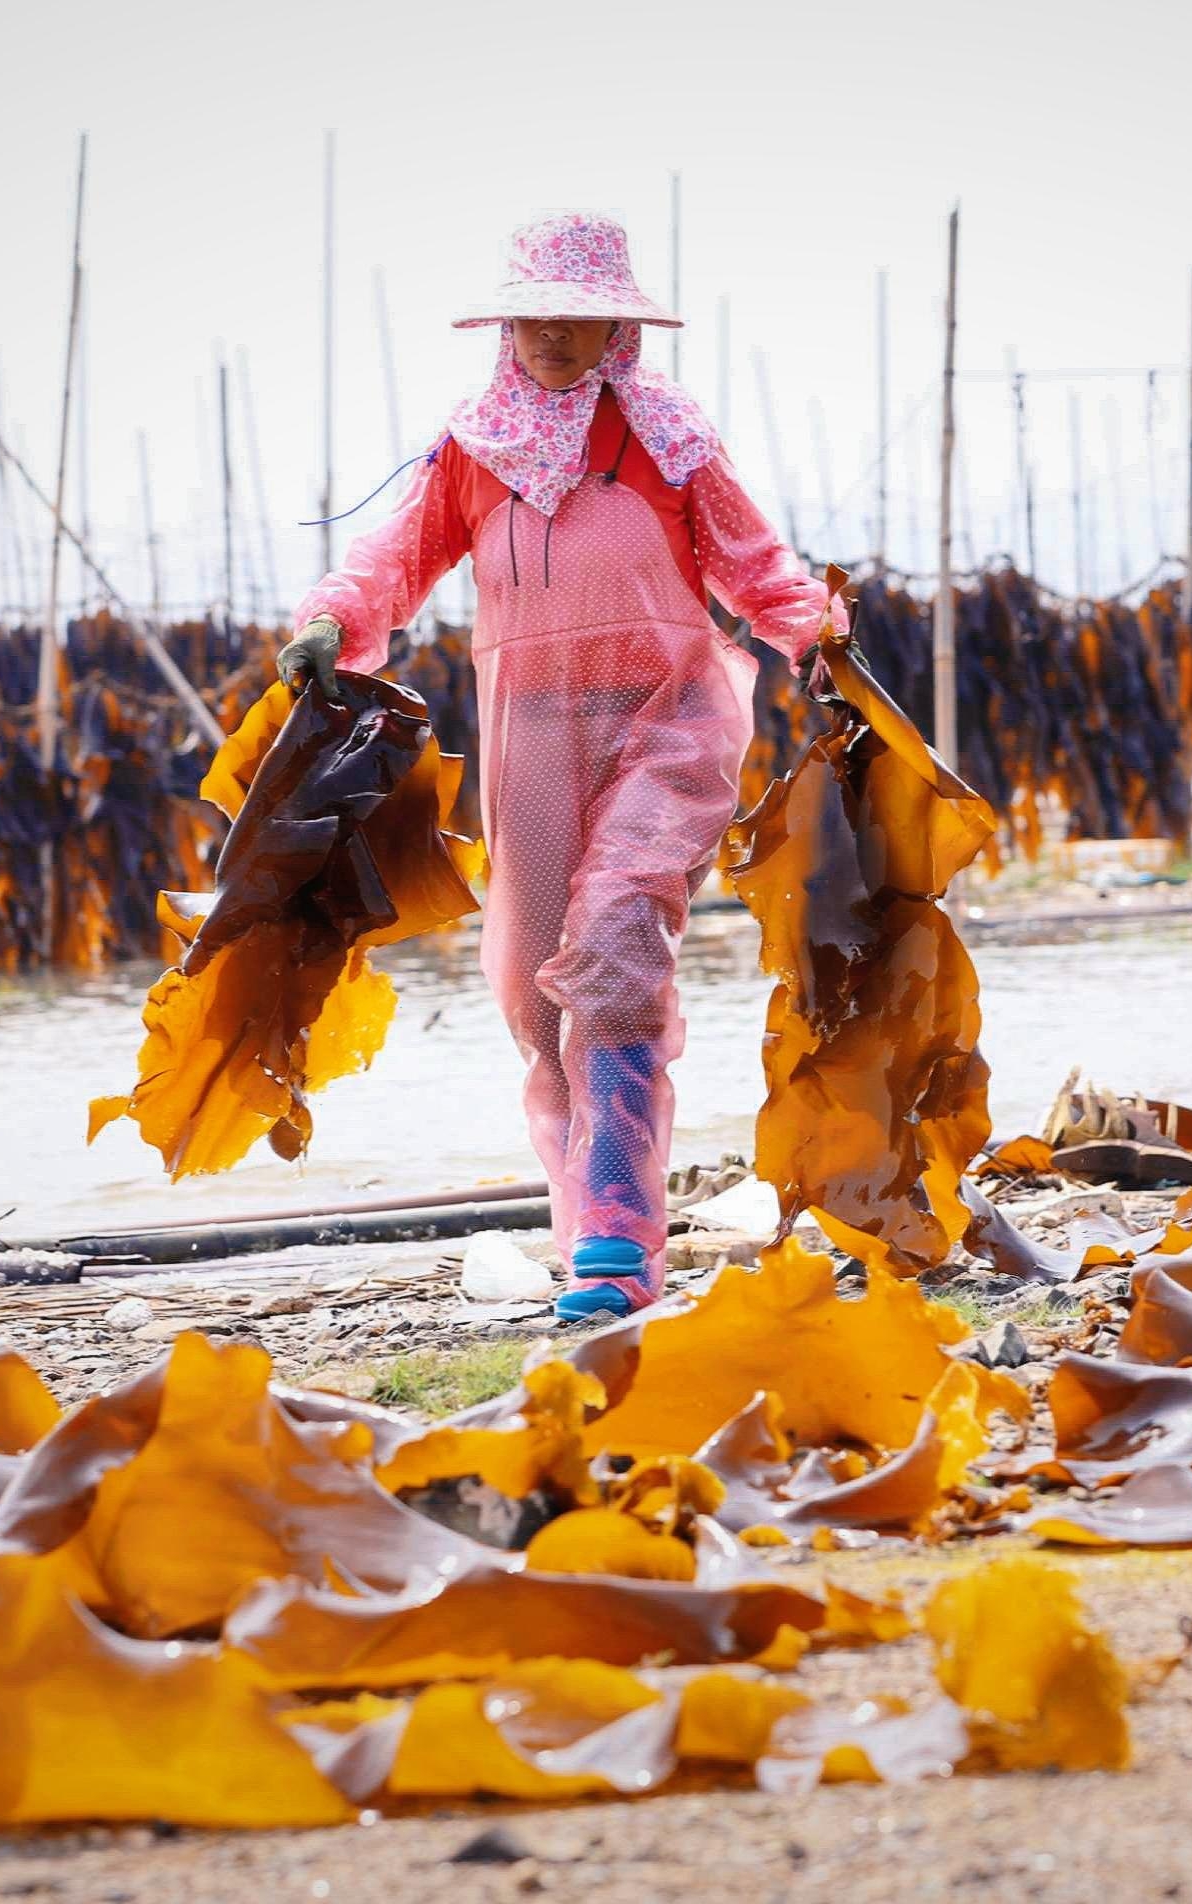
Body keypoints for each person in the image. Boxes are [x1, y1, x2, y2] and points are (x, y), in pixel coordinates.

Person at [279, 212, 838, 1323]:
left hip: (666, 719)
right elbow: (393, 558)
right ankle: (582, 1220)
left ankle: (621, 1248)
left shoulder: (669, 437)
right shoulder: (473, 448)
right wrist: (331, 622)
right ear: (506, 323)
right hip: (529, 734)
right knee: (538, 986)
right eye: (532, 313)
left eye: (577, 316)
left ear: (616, 325)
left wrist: (819, 637)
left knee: (622, 942)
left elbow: (755, 562)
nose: (552, 334)